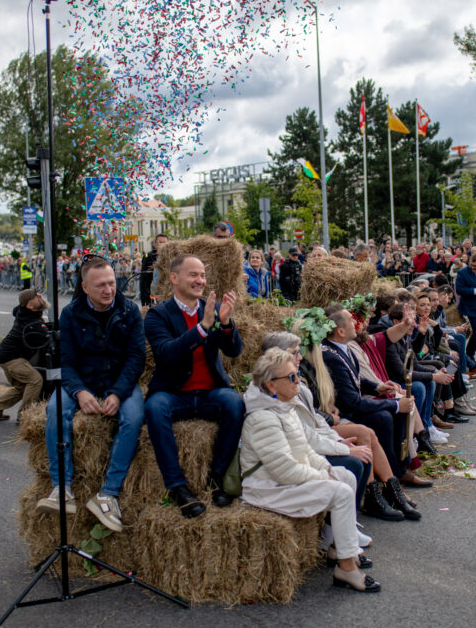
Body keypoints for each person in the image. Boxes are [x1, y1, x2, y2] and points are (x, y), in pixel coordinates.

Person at [240, 349, 380, 593]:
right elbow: (284, 470)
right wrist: (322, 476)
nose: (298, 381)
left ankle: (340, 549)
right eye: (292, 377)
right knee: (341, 491)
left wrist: (326, 467)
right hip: (267, 487)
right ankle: (346, 568)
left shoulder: (285, 407)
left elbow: (306, 448)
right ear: (272, 385)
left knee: (345, 476)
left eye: (297, 375)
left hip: (283, 480)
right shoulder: (262, 418)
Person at [36, 258, 146, 531]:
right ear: (85, 287)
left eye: (111, 282)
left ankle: (108, 493)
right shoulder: (71, 314)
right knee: (54, 409)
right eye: (100, 285)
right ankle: (62, 487)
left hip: (119, 381)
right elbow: (67, 361)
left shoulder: (130, 310)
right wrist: (80, 391)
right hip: (83, 380)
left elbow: (136, 358)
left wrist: (118, 393)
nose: (108, 289)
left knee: (134, 417)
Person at [143, 254, 245, 519]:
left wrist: (225, 324)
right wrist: (202, 328)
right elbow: (166, 353)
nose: (200, 280)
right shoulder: (158, 315)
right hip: (174, 393)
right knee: (154, 408)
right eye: (193, 275)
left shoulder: (212, 308)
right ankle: (178, 488)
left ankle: (217, 479)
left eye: (202, 275)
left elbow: (234, 351)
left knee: (235, 403)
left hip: (210, 392)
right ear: (174, 278)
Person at [321, 305, 419, 521]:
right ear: (340, 331)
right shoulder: (330, 355)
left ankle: (394, 483)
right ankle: (381, 491)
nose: (357, 323)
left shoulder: (341, 348)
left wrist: (376, 387)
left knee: (393, 412)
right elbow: (352, 402)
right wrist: (394, 405)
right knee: (384, 416)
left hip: (350, 406)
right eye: (351, 320)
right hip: (345, 412)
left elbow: (354, 380)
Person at [0, 289, 48, 422]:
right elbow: (44, 339)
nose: (40, 297)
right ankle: (24, 415)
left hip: (5, 355)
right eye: (36, 297)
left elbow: (18, 308)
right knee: (35, 380)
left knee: (22, 387)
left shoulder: (24, 312)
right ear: (29, 305)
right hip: (11, 358)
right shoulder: (31, 323)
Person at [139, 233, 167, 307]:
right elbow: (144, 280)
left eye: (165, 243)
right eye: (160, 242)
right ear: (155, 243)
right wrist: (145, 301)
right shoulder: (148, 256)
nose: (162, 245)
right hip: (152, 293)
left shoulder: (169, 257)